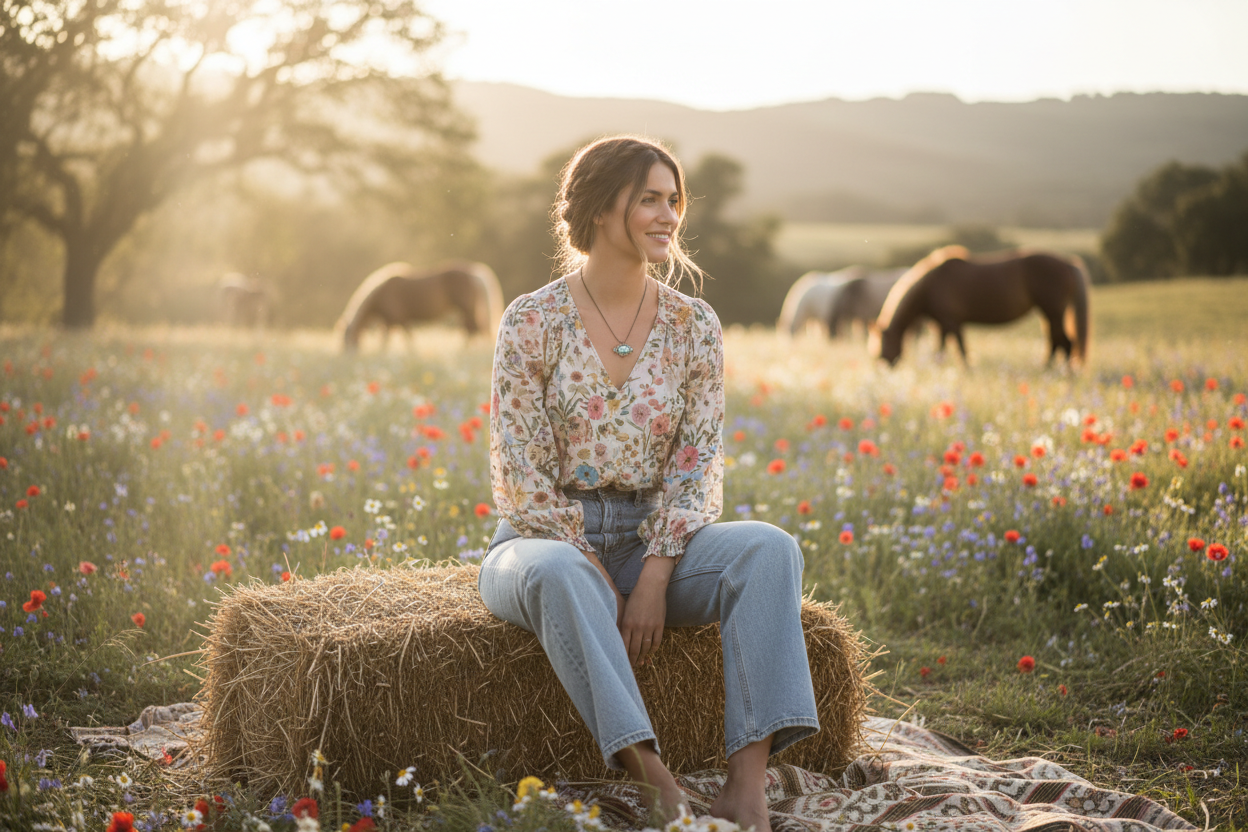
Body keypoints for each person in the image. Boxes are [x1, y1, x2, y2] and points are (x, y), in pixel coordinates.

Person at [480, 135, 818, 832]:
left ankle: (746, 781)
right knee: (562, 577)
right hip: (539, 542)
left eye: (674, 201)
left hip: (649, 537)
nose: (668, 215)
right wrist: (594, 572)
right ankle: (652, 774)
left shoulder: (694, 326)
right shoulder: (531, 320)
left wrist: (656, 573)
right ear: (604, 210)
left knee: (769, 550)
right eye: (649, 200)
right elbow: (523, 472)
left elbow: (698, 462)